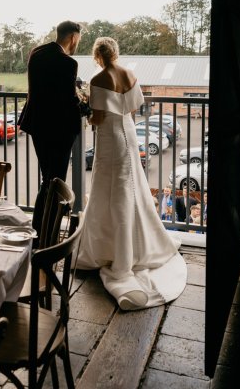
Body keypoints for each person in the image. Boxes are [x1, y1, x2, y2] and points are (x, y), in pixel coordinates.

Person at [77, 37, 187, 311]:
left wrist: (86, 111)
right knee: (130, 186)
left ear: (97, 55)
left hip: (109, 137)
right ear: (115, 52)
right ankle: (136, 242)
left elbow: (99, 118)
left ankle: (109, 247)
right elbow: (135, 108)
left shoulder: (99, 78)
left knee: (108, 187)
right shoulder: (130, 74)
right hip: (127, 132)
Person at [18, 20, 82, 236]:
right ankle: (46, 233)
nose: (77, 44)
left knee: (48, 179)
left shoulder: (37, 53)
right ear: (73, 37)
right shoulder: (68, 63)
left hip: (37, 124)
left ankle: (40, 228)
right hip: (59, 129)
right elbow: (68, 100)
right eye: (77, 40)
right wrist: (85, 106)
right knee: (56, 182)